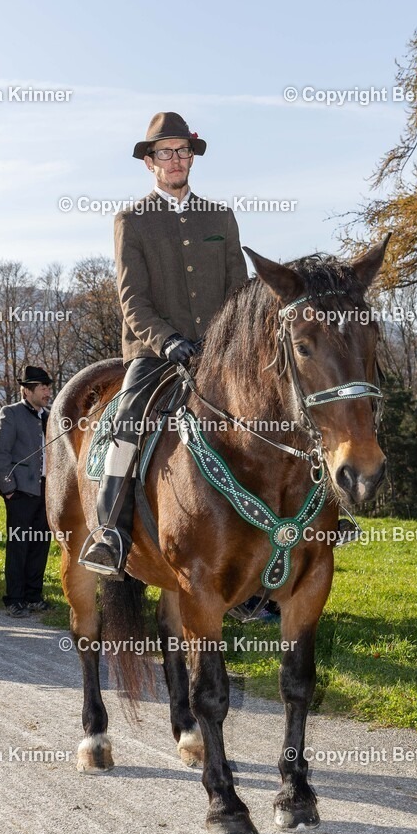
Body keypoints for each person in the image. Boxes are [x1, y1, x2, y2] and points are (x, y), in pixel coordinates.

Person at [80, 111, 248, 576]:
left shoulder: (221, 216)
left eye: (182, 151)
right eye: (164, 153)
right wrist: (167, 339)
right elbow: (131, 298)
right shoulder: (132, 220)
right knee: (128, 417)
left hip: (220, 353)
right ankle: (109, 531)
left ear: (193, 156)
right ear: (149, 163)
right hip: (156, 353)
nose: (175, 160)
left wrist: (227, 342)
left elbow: (239, 290)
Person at [0, 366, 52, 617]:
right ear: (27, 391)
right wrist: (8, 488)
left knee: (41, 545)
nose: (48, 392)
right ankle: (14, 599)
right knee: (19, 546)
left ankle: (33, 596)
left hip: (47, 491)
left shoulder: (50, 416)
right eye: (43, 388)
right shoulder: (11, 413)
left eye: (49, 387)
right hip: (20, 492)